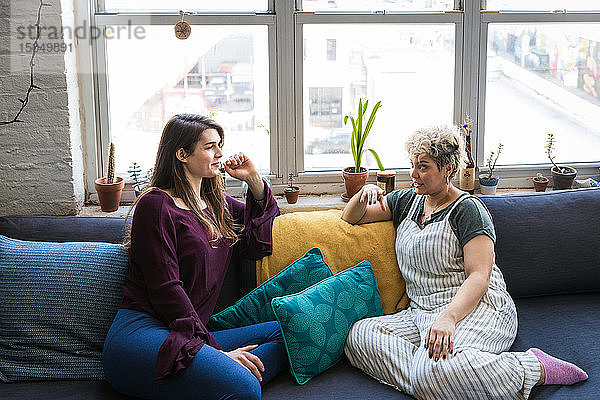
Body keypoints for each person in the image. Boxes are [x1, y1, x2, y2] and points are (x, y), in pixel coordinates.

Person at [341, 125, 588, 399]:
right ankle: (432, 377)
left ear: (447, 167)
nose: (413, 174)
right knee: (358, 336)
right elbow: (352, 217)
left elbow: (479, 276)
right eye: (412, 165)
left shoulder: (468, 210)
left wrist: (449, 318)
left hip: (476, 308)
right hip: (421, 312)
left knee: (431, 372)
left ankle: (531, 367)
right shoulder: (407, 201)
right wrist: (363, 194)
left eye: (423, 167)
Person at [102, 114, 287, 400]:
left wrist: (252, 179)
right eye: (210, 146)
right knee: (245, 388)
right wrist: (216, 352)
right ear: (182, 154)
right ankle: (222, 377)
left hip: (190, 334)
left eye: (220, 145)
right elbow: (167, 290)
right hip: (143, 335)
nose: (221, 154)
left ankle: (211, 379)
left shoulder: (216, 204)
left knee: (286, 332)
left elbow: (257, 235)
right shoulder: (156, 205)